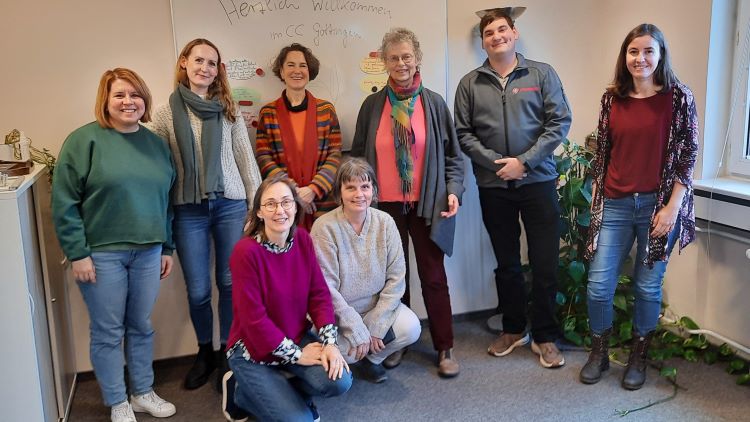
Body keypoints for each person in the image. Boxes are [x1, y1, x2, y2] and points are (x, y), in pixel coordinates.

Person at [52, 68, 176, 422]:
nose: (128, 102)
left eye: (135, 95)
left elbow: (165, 201)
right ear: (105, 101)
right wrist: (78, 253)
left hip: (149, 252)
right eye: (119, 95)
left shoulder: (156, 145)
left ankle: (142, 392)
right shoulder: (83, 141)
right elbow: (64, 203)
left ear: (145, 101)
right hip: (100, 255)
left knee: (141, 324)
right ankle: (117, 400)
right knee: (108, 330)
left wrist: (167, 247)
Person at [580, 23, 698, 390]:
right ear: (625, 56)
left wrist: (672, 208)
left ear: (660, 55)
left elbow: (688, 157)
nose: (640, 58)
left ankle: (638, 357)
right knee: (599, 286)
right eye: (634, 51)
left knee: (647, 288)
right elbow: (603, 153)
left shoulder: (679, 98)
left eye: (648, 51)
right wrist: (598, 202)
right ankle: (599, 352)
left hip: (658, 207)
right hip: (614, 204)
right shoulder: (612, 98)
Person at [454, 9, 572, 368]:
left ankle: (545, 336)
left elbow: (559, 121)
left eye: (502, 29)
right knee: (506, 264)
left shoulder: (541, 73)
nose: (496, 36)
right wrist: (497, 164)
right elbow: (463, 133)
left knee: (545, 263)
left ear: (515, 33)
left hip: (538, 181)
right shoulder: (470, 83)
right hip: (494, 186)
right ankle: (513, 328)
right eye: (489, 32)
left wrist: (525, 162)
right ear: (483, 40)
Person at [147, 38, 262, 391]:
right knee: (197, 290)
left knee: (229, 283)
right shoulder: (166, 112)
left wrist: (256, 210)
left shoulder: (227, 109)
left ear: (218, 70)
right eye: (198, 60)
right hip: (188, 210)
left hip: (230, 205)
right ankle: (203, 352)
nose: (205, 68)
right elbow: (154, 158)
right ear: (184, 63)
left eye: (212, 63)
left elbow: (246, 159)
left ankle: (228, 350)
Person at [352, 27, 465, 378]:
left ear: (416, 59)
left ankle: (444, 347)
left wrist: (453, 190)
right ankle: (399, 342)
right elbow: (357, 155)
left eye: (406, 56)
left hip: (427, 204)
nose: (400, 63)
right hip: (383, 207)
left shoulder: (433, 103)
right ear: (383, 62)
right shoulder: (372, 105)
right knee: (391, 280)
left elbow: (453, 158)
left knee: (433, 276)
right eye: (393, 57)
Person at [221, 174, 352, 422]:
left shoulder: (303, 238)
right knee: (299, 421)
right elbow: (254, 321)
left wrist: (330, 344)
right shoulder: (245, 253)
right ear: (259, 212)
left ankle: (279, 391)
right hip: (252, 350)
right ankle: (241, 392)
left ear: (295, 206)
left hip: (296, 337)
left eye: (286, 202)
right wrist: (298, 356)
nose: (279, 210)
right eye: (270, 204)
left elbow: (319, 294)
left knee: (340, 381)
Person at [310, 158, 421, 384]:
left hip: (376, 309)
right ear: (339, 192)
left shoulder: (386, 223)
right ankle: (355, 356)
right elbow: (325, 289)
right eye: (350, 187)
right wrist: (356, 328)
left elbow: (396, 280)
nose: (359, 194)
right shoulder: (324, 227)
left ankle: (373, 360)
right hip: (338, 315)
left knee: (411, 328)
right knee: (340, 355)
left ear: (374, 190)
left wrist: (376, 325)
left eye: (365, 186)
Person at [255, 43, 342, 231]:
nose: (297, 71)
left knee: (323, 256)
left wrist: (313, 190)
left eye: (302, 65)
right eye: (290, 65)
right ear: (281, 70)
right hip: (283, 204)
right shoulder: (268, 113)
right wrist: (293, 192)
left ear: (309, 71)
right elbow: (263, 157)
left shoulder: (326, 110)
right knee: (288, 256)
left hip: (322, 202)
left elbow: (335, 155)